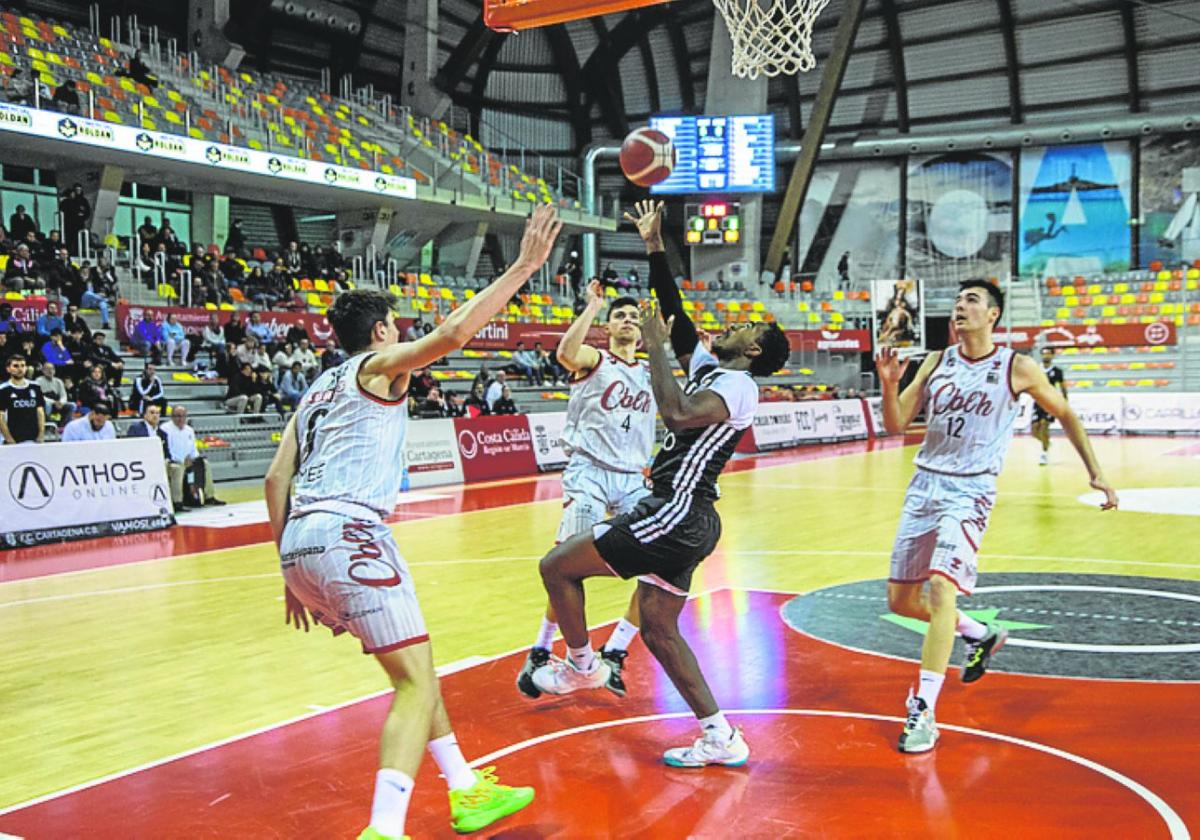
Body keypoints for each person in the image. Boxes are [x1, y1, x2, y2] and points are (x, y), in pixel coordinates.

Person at [264, 204, 560, 840]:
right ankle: (385, 829)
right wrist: (523, 268)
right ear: (379, 334)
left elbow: (273, 481)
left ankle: (465, 788)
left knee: (418, 675)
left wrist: (289, 576)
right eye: (395, 326)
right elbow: (453, 335)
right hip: (351, 533)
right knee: (411, 685)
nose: (401, 335)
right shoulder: (377, 369)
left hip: (301, 544)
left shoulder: (315, 393)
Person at [529, 200, 791, 773]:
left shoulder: (740, 387)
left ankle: (580, 665)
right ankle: (720, 736)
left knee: (557, 566)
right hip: (687, 518)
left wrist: (651, 346)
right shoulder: (711, 367)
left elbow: (674, 413)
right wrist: (654, 244)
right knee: (659, 630)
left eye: (743, 327)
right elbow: (674, 311)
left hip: (675, 510)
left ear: (752, 351)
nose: (728, 325)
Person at [876, 279, 1119, 755]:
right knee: (901, 603)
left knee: (942, 588)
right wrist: (889, 385)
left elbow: (1066, 414)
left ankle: (922, 711)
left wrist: (1097, 473)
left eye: (971, 300)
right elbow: (895, 424)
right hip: (924, 483)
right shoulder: (937, 360)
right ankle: (980, 633)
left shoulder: (1017, 366)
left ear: (993, 316)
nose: (959, 306)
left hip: (971, 489)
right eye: (957, 299)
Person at [516, 278, 655, 700]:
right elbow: (564, 353)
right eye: (620, 316)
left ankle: (614, 651)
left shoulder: (651, 373)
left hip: (633, 478)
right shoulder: (595, 359)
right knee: (567, 562)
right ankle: (541, 649)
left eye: (634, 316)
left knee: (658, 569)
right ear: (609, 328)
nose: (628, 321)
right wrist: (593, 305)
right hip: (590, 471)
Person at [163, 406, 224, 508]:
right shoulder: (165, 429)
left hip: (189, 460)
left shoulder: (189, 430)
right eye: (177, 416)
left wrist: (194, 458)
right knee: (178, 468)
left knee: (205, 464)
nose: (181, 419)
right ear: (172, 417)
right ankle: (177, 501)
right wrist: (181, 460)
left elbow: (193, 448)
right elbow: (167, 450)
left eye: (183, 416)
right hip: (173, 462)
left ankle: (209, 496)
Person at [1031, 346, 1067, 466]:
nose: (1046, 356)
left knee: (1044, 425)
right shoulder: (1036, 369)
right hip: (1037, 401)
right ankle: (1046, 442)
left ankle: (1044, 454)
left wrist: (1064, 402)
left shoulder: (1057, 371)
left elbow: (1063, 387)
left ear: (1052, 356)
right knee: (1034, 430)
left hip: (1051, 402)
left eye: (1048, 354)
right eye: (1044, 354)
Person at [0, 355, 45, 444]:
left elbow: (40, 412)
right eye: (16, 366)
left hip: (33, 439)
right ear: (8, 369)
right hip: (13, 440)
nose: (20, 369)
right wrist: (9, 439)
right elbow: (1, 417)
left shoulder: (35, 387)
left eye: (23, 365)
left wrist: (41, 434)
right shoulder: (3, 390)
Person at [60, 183, 91, 255]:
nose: (78, 191)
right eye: (77, 190)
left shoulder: (84, 200)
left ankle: (79, 253)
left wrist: (81, 216)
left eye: (80, 189)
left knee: (79, 239)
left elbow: (87, 212)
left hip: (80, 224)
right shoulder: (68, 201)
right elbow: (65, 210)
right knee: (70, 240)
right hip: (69, 224)